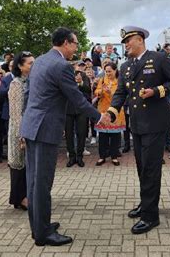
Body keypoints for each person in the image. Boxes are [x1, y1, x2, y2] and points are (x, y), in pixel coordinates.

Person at [20, 27, 107, 246]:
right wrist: (99, 117)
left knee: (33, 180)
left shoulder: (39, 60)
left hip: (33, 126)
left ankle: (39, 225)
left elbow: (29, 95)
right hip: (45, 129)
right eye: (75, 44)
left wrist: (25, 124)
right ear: (66, 43)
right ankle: (42, 234)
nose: (76, 48)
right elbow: (77, 99)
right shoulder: (61, 66)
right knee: (42, 183)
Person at [106, 26, 170, 235]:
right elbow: (121, 92)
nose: (126, 45)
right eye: (124, 42)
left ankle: (150, 216)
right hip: (138, 123)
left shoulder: (158, 58)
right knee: (142, 167)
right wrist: (112, 112)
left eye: (128, 41)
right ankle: (146, 204)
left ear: (140, 39)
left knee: (151, 168)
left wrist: (158, 91)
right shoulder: (126, 66)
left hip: (156, 123)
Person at [8, 52, 34, 211]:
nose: (33, 65)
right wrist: (21, 135)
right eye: (30, 63)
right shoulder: (16, 84)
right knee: (18, 164)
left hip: (30, 127)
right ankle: (19, 198)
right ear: (20, 66)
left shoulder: (31, 81)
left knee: (28, 164)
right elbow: (17, 113)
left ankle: (25, 196)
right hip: (20, 130)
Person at [94, 62, 125, 166]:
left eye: (109, 71)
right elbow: (96, 92)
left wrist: (110, 92)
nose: (107, 73)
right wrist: (102, 91)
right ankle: (102, 156)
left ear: (115, 70)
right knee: (102, 136)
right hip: (103, 111)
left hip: (115, 112)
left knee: (115, 135)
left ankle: (114, 156)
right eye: (106, 71)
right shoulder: (102, 80)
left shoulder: (120, 81)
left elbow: (121, 97)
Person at [65, 70, 92, 168]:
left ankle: (80, 156)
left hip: (81, 110)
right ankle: (72, 156)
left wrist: (80, 83)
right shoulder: (65, 78)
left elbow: (88, 91)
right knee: (69, 134)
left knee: (81, 133)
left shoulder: (85, 77)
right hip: (68, 110)